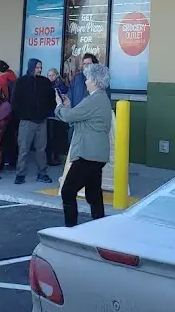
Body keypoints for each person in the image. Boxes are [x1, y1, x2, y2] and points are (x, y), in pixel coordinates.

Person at [56, 63, 113, 227]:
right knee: (93, 193)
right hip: (96, 153)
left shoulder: (94, 99)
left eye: (87, 79)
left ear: (95, 81)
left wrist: (59, 106)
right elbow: (80, 116)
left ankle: (71, 228)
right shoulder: (101, 99)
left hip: (87, 153)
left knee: (68, 191)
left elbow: (70, 116)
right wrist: (68, 107)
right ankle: (99, 225)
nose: (85, 82)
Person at [11, 58, 54, 185]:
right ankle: (20, 174)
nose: (39, 69)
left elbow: (50, 98)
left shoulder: (45, 82)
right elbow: (15, 100)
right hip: (27, 120)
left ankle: (42, 172)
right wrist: (21, 115)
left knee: (41, 149)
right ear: (31, 67)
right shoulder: (21, 82)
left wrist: (46, 112)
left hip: (41, 120)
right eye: (37, 67)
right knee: (23, 148)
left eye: (40, 67)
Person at [46, 68, 69, 165]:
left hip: (56, 114)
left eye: (52, 75)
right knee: (52, 138)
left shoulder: (59, 86)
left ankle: (53, 158)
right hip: (52, 114)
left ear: (56, 75)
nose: (51, 77)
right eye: (49, 75)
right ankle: (53, 158)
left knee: (53, 138)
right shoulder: (49, 85)